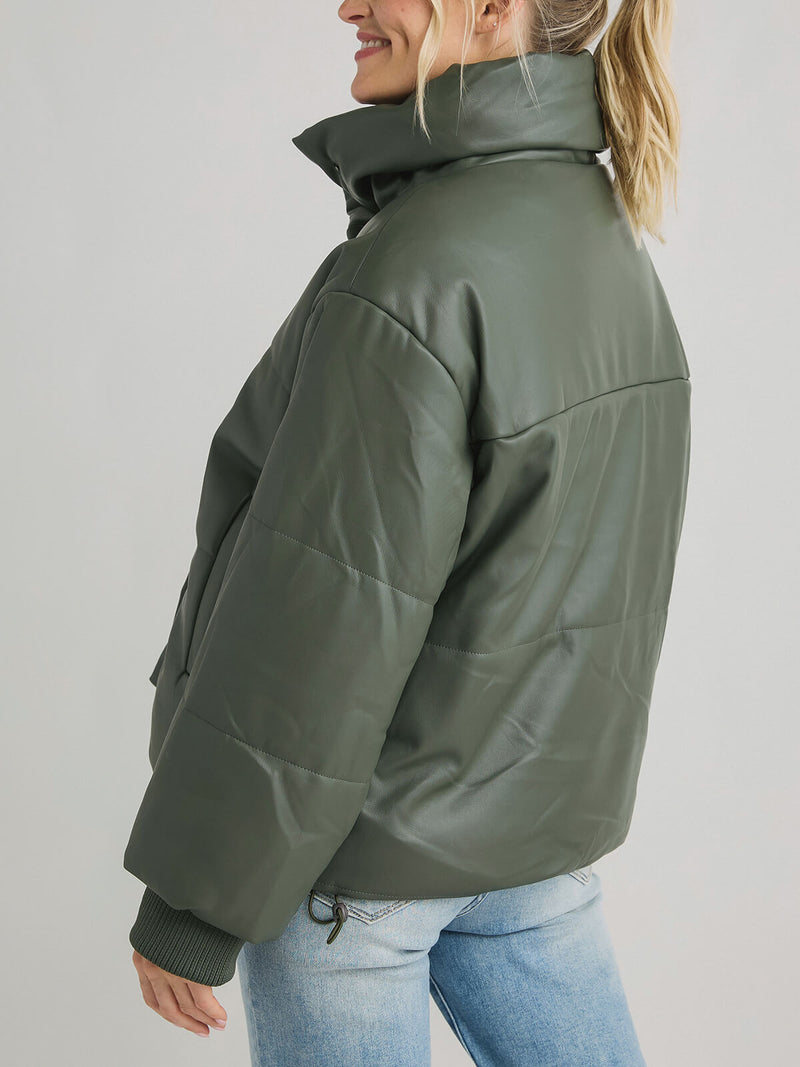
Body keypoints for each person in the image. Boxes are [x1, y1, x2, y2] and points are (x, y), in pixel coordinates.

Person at [123, 0, 691, 1063]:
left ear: (492, 9)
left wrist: (196, 899)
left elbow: (320, 610)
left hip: (358, 877)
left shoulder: (417, 267)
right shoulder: (604, 235)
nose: (347, 4)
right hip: (528, 847)